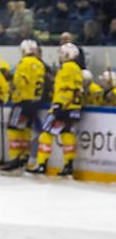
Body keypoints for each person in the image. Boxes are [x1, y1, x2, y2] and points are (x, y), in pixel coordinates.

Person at [31, 43, 83, 176]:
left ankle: (41, 164)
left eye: (61, 53)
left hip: (62, 106)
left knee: (45, 134)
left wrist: (59, 105)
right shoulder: (77, 68)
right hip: (74, 108)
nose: (59, 56)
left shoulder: (66, 68)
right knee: (67, 135)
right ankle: (68, 166)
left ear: (67, 54)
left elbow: (67, 89)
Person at [2, 39, 46, 172]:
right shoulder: (40, 64)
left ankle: (16, 157)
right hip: (35, 102)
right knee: (26, 129)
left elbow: (20, 82)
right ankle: (25, 155)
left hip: (22, 101)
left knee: (13, 127)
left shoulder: (24, 63)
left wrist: (10, 78)